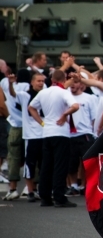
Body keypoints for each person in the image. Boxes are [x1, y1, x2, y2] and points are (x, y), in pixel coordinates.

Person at [28, 70, 79, 207]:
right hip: (61, 132)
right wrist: (64, 115)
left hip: (47, 132)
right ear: (63, 80)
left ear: (51, 79)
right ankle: (59, 196)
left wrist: (42, 122)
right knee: (60, 166)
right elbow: (75, 106)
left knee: (46, 165)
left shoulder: (43, 92)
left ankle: (45, 196)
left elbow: (31, 107)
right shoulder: (63, 92)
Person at [7, 72, 45, 201]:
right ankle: (29, 191)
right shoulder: (25, 95)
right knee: (30, 163)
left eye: (42, 81)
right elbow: (13, 94)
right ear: (32, 82)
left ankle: (38, 189)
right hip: (31, 135)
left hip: (45, 134)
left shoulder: (46, 94)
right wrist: (11, 83)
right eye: (38, 81)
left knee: (43, 164)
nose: (40, 83)